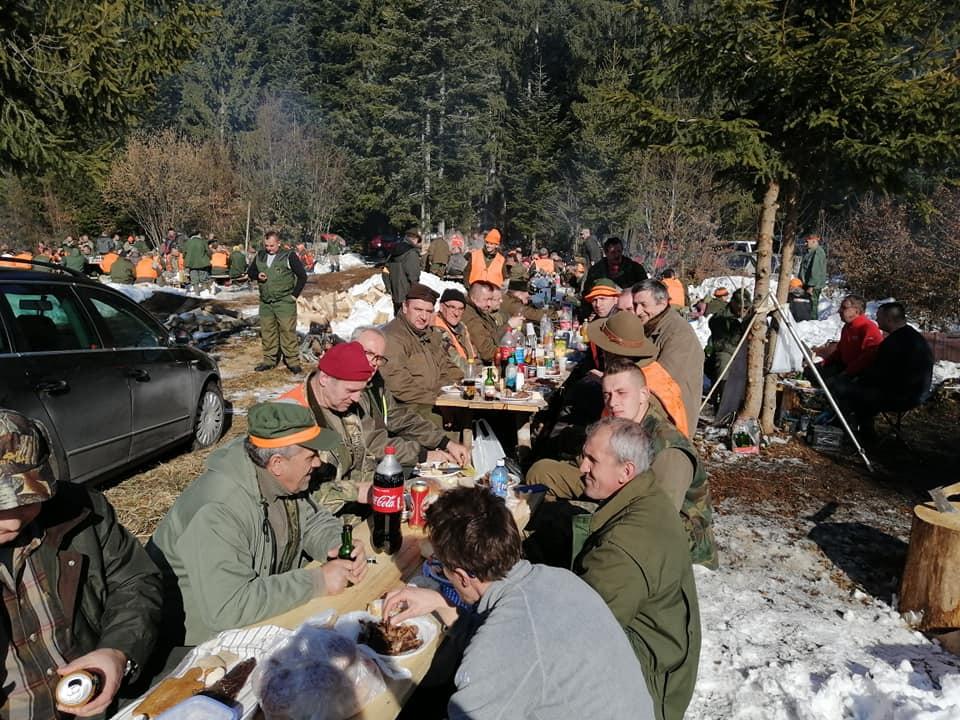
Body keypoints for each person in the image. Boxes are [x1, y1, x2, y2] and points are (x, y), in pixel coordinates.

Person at [382, 486, 656, 720]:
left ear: (464, 577)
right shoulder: (556, 578)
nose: (444, 573)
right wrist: (441, 602)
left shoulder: (502, 645)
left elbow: (506, 646)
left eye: (443, 568)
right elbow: (515, 635)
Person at [147, 402, 366, 646]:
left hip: (255, 614)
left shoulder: (283, 479)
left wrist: (336, 543)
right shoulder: (219, 509)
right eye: (311, 456)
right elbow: (228, 607)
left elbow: (312, 518)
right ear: (277, 463)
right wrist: (316, 581)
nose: (317, 463)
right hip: (196, 641)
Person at [0, 409, 162, 718]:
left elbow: (134, 580)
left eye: (29, 498)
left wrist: (118, 651)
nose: (14, 518)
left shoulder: (80, 511)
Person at [527, 357, 717, 568]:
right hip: (624, 493)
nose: (613, 402)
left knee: (581, 532)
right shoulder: (622, 423)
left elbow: (658, 518)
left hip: (677, 537)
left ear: (644, 395)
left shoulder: (668, 451)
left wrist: (597, 522)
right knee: (543, 473)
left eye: (621, 393)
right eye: (607, 395)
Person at [572, 418, 700, 720]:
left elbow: (580, 638)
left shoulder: (623, 548)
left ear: (626, 471)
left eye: (592, 460)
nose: (581, 468)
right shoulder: (648, 495)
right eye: (584, 456)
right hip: (664, 658)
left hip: (646, 687)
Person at [353, 327, 469, 465]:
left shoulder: (375, 381)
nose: (373, 363)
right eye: (369, 353)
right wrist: (423, 455)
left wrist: (445, 442)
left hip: (384, 457)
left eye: (378, 358)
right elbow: (371, 443)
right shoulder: (348, 388)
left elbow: (399, 418)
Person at [832, 302, 934, 438]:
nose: (876, 319)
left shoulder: (895, 343)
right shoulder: (914, 337)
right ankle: (863, 429)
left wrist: (853, 379)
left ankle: (847, 431)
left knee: (843, 388)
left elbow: (879, 373)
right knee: (858, 389)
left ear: (889, 319)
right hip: (918, 393)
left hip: (902, 396)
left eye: (878, 317)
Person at [380, 283, 463, 423]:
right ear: (405, 308)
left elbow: (445, 369)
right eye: (418, 309)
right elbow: (399, 385)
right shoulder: (394, 337)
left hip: (431, 401)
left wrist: (454, 391)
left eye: (429, 311)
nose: (424, 317)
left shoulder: (429, 335)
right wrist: (437, 400)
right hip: (407, 410)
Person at [633, 279, 705, 435]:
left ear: (662, 303)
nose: (638, 311)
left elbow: (664, 381)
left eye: (644, 305)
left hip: (672, 419)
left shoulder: (677, 333)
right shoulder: (651, 326)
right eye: (635, 305)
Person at [248, 230, 308, 374]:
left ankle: (292, 362)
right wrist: (257, 275)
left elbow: (302, 276)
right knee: (268, 332)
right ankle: (269, 361)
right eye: (267, 245)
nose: (269, 248)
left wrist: (294, 296)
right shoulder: (260, 255)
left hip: (284, 302)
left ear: (279, 243)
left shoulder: (289, 256)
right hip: (266, 303)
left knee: (287, 331)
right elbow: (250, 272)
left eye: (272, 246)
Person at [815, 294, 883, 382]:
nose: (839, 311)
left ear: (856, 311)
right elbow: (840, 351)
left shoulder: (868, 328)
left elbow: (868, 357)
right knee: (812, 373)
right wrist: (824, 363)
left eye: (844, 308)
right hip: (844, 367)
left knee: (833, 385)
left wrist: (847, 373)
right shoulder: (847, 327)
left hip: (860, 375)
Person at [462, 280, 520, 364]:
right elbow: (487, 352)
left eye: (491, 299)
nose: (489, 304)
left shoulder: (481, 312)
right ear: (474, 298)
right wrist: (510, 353)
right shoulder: (472, 317)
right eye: (486, 299)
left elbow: (493, 335)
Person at [433, 287, 479, 372]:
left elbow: (475, 356)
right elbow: (456, 361)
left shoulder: (462, 328)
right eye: (452, 307)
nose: (456, 313)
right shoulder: (436, 328)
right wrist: (478, 373)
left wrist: (483, 371)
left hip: (470, 375)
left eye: (460, 309)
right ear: (441, 307)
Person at [583, 236, 647, 293]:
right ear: (606, 253)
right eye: (613, 252)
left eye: (619, 251)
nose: (617, 255)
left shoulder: (635, 269)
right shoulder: (595, 271)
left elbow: (645, 290)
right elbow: (587, 291)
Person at [384, 229, 422, 313]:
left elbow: (385, 271)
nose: (417, 243)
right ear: (414, 239)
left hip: (395, 295)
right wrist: (416, 292)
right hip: (407, 295)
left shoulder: (394, 251)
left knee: (398, 319)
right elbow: (414, 275)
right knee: (406, 322)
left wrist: (389, 288)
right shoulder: (411, 253)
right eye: (418, 240)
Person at [799, 233, 827, 316]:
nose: (805, 244)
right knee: (806, 307)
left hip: (812, 286)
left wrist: (811, 286)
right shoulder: (810, 252)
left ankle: (812, 324)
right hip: (807, 284)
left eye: (807, 242)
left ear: (814, 241)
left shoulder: (817, 253)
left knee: (811, 309)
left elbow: (816, 271)